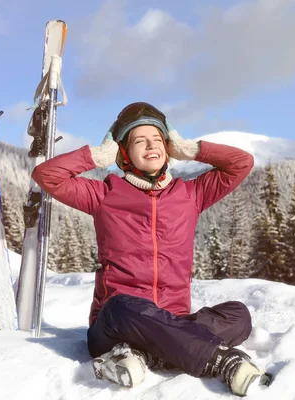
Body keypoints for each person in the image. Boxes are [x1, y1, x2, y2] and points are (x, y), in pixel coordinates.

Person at [31, 102, 272, 396]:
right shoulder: (104, 194)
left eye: (158, 138)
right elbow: (47, 175)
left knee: (238, 316)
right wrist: (96, 156)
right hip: (116, 326)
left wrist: (193, 149)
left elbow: (241, 163)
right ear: (124, 153)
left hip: (174, 321)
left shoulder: (189, 195)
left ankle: (148, 354)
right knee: (122, 305)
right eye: (139, 140)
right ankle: (219, 361)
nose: (151, 145)